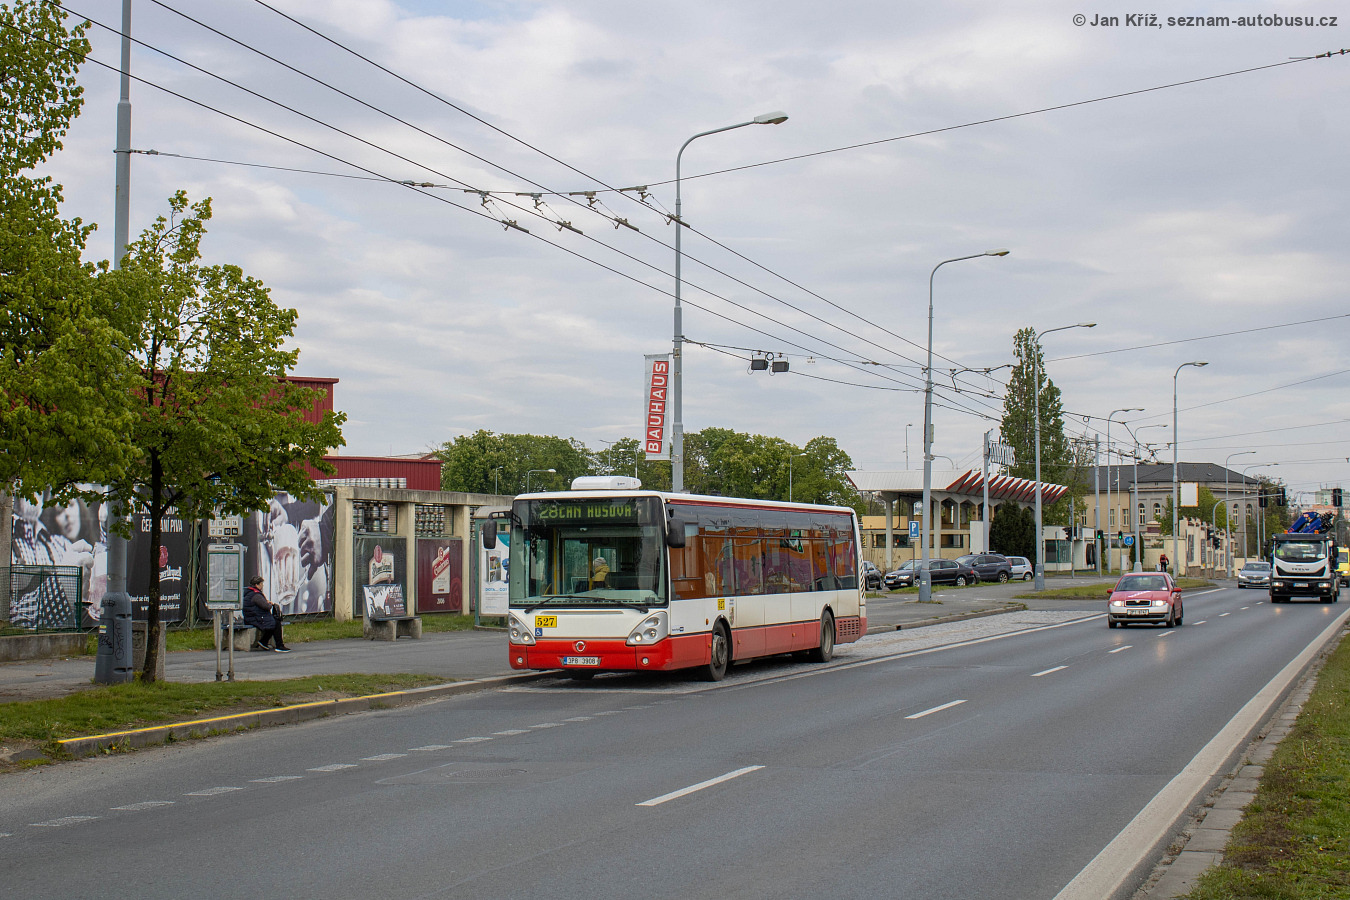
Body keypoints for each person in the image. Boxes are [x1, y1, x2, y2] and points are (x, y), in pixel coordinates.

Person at [242, 575, 290, 652]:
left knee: (272, 622)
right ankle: (279, 645)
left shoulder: (250, 593)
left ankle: (264, 641)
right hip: (254, 618)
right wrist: (270, 604)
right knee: (275, 622)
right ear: (257, 585)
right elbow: (266, 606)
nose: (262, 586)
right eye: (261, 584)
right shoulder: (256, 595)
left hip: (251, 617)